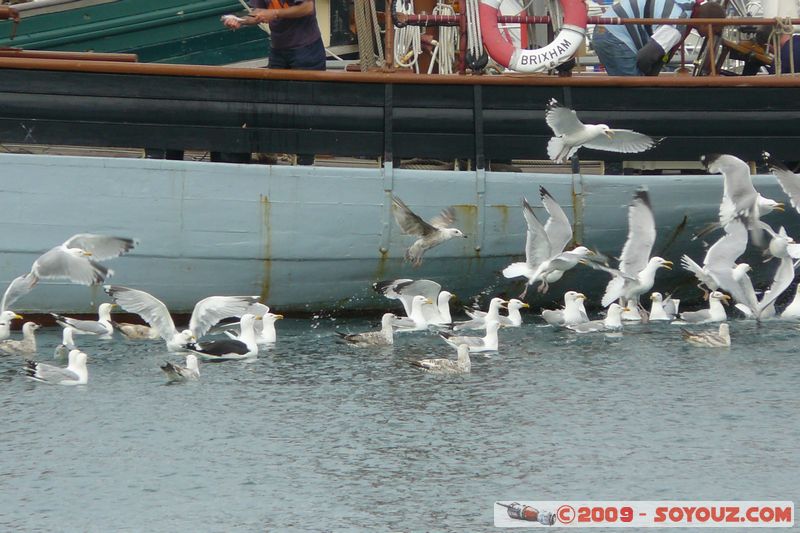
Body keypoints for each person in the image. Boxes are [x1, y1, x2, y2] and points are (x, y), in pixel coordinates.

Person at [592, 0, 726, 76]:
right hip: (613, 35)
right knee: (632, 90)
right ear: (705, 23)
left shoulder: (685, 7)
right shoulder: (675, 26)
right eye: (714, 30)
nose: (710, 35)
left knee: (634, 86)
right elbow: (644, 58)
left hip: (608, 30)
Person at [222, 0, 326, 71]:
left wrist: (275, 13)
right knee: (276, 94)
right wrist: (240, 21)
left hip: (307, 51)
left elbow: (307, 7)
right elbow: (259, 12)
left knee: (308, 95)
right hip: (278, 52)